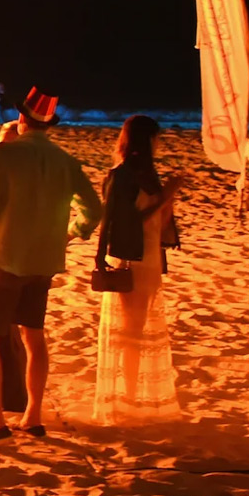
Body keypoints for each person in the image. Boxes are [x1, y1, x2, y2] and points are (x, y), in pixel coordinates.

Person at [0, 88, 102, 444]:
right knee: (33, 335)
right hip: (44, 262)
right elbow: (93, 210)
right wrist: (71, 234)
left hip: (5, 258)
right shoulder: (66, 161)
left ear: (22, 120)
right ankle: (33, 415)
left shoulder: (4, 156)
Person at [91, 116, 187, 425]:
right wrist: (167, 195)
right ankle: (125, 396)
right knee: (130, 331)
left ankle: (129, 393)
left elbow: (158, 220)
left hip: (149, 257)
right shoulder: (122, 176)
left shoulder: (145, 173)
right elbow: (125, 221)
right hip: (131, 257)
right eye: (155, 139)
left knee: (136, 328)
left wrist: (166, 197)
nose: (158, 145)